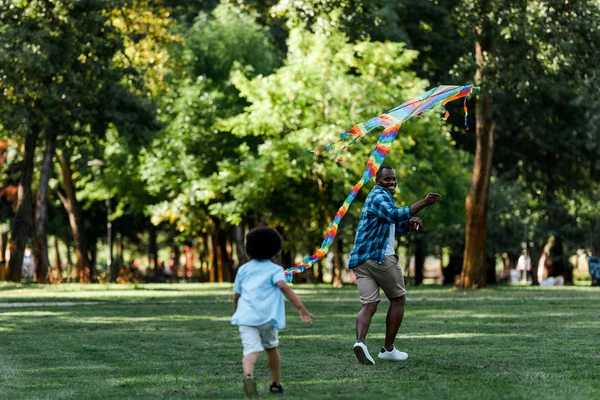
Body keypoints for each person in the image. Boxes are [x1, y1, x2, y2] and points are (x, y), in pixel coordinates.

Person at [347, 166, 440, 365]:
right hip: (379, 258)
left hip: (361, 261)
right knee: (398, 299)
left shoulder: (379, 198)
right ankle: (388, 350)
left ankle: (360, 343)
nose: (391, 182)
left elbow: (395, 222)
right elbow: (394, 214)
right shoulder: (378, 196)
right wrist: (424, 203)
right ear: (377, 181)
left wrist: (409, 222)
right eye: (386, 179)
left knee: (369, 304)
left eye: (394, 179)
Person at [231, 227, 315, 398]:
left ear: (248, 249)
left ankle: (248, 375)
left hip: (246, 318)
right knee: (271, 349)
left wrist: (237, 313)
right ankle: (275, 384)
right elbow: (283, 286)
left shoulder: (243, 270)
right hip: (267, 318)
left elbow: (237, 296)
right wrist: (300, 308)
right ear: (276, 250)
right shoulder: (275, 270)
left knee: (250, 351)